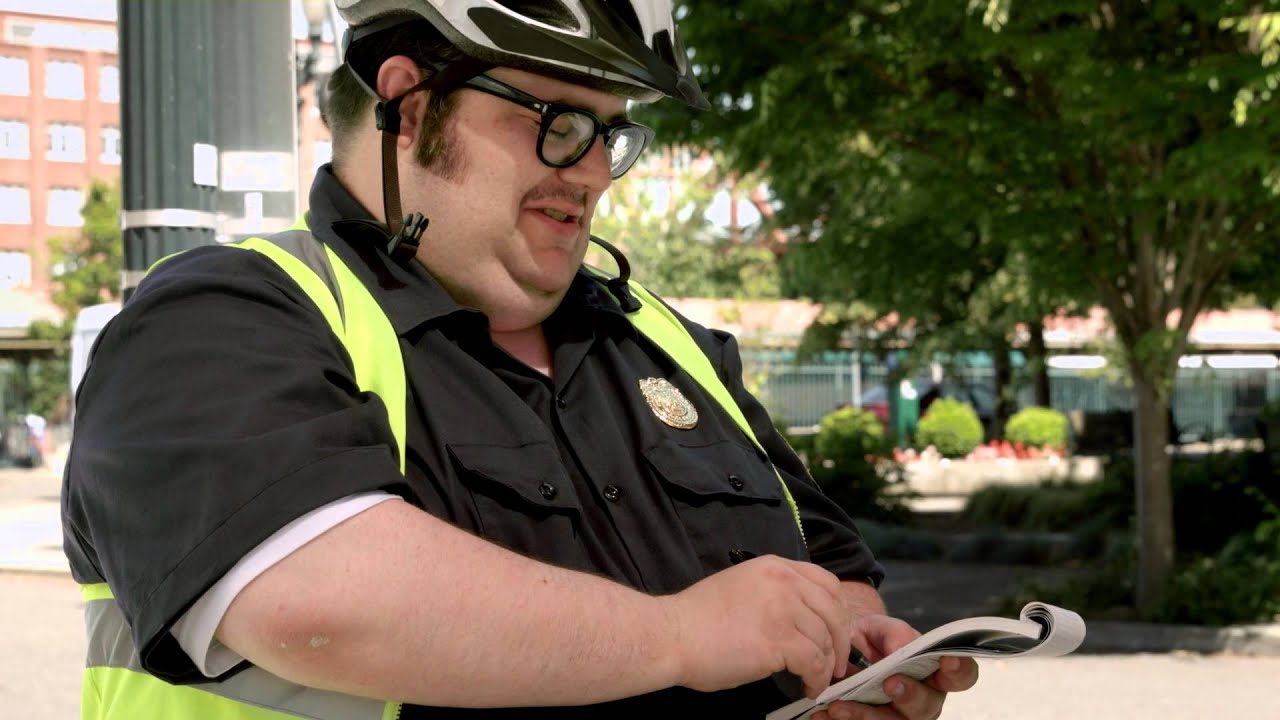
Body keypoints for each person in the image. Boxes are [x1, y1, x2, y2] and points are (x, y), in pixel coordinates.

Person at [62, 2, 978, 718]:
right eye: (558, 121)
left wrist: (854, 663)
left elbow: (833, 571)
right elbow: (318, 600)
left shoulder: (672, 342)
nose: (591, 172)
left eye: (610, 133)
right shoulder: (215, 319)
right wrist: (681, 636)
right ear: (410, 105)